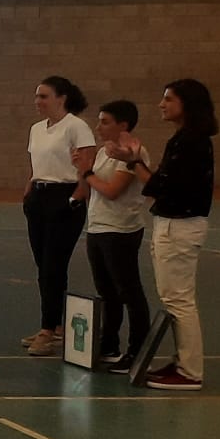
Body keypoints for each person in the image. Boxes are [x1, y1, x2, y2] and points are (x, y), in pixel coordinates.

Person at [111, 79, 215, 391]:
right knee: (174, 299)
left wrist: (133, 162)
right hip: (172, 223)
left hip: (180, 226)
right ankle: (182, 360)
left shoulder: (191, 141)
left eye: (169, 99)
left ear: (188, 104)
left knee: (179, 300)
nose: (162, 104)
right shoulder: (185, 139)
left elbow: (159, 186)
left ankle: (189, 371)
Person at [19, 76, 96, 356]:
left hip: (64, 198)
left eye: (44, 96)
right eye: (37, 96)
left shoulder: (77, 127)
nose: (38, 102)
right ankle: (57, 325)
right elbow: (35, 165)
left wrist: (76, 199)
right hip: (39, 198)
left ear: (61, 98)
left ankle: (47, 329)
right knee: (45, 267)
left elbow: (86, 169)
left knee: (53, 265)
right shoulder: (37, 129)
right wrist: (29, 193)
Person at [82, 100, 151, 374]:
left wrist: (86, 173)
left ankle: (137, 350)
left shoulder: (135, 153)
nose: (98, 127)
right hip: (97, 227)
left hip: (120, 230)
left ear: (123, 125)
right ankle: (109, 344)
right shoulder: (102, 152)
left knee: (129, 291)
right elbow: (96, 190)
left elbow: (112, 190)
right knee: (106, 291)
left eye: (105, 122)